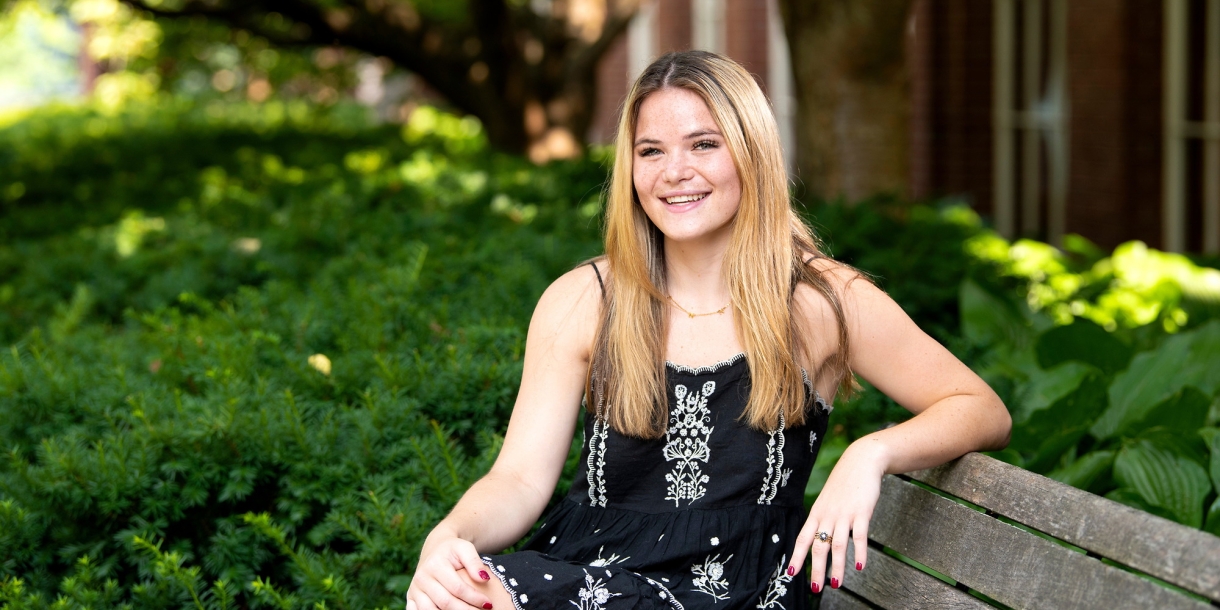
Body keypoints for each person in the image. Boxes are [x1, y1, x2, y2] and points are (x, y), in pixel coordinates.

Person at [405, 50, 1011, 610]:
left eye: (703, 144)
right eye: (650, 151)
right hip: (592, 572)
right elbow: (518, 478)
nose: (675, 172)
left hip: (740, 589)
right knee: (460, 593)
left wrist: (871, 453)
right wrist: (448, 536)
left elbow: (980, 407)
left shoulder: (822, 300)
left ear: (750, 152)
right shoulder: (584, 300)